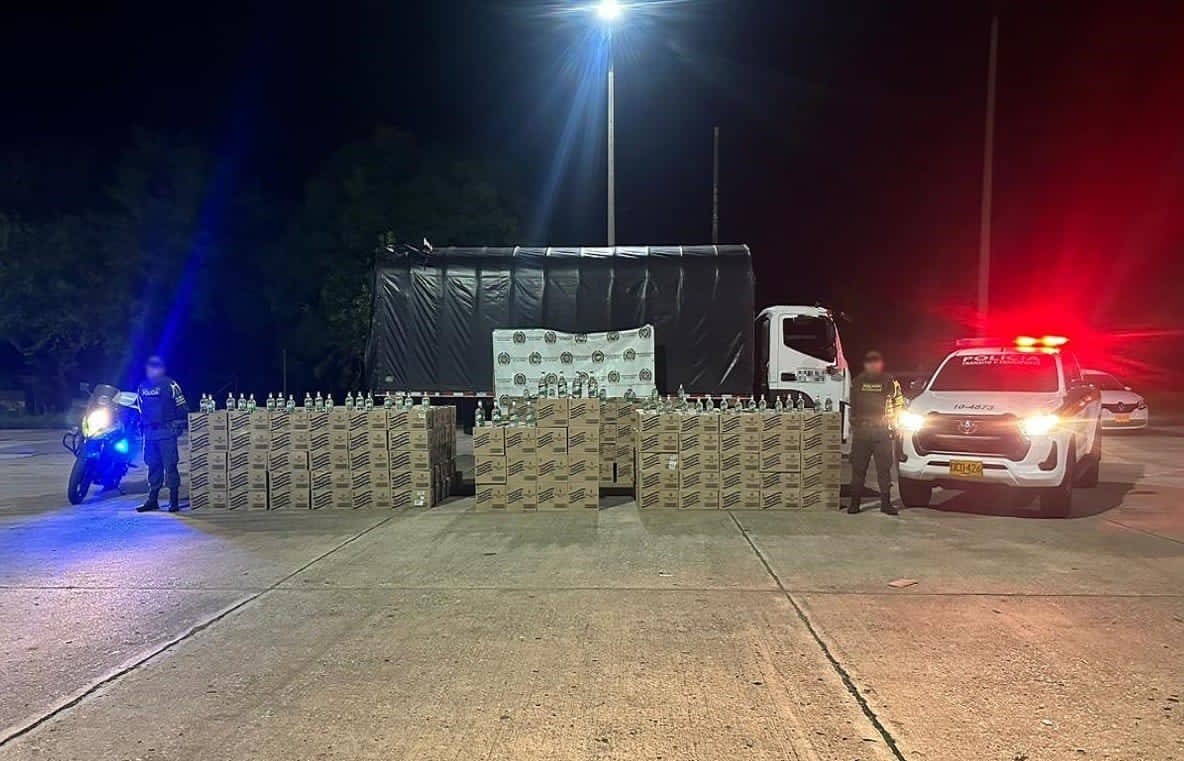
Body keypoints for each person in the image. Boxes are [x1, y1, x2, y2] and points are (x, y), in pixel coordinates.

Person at [848, 349, 905, 515]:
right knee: (858, 469)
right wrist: (854, 426)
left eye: (876, 362)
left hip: (882, 432)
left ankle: (886, 504)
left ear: (881, 364)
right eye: (870, 362)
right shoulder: (858, 381)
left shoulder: (889, 381)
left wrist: (895, 424)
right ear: (865, 365)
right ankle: (855, 503)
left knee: (884, 469)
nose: (873, 365)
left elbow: (898, 403)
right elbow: (853, 406)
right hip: (862, 432)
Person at [136, 355, 188, 512]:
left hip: (167, 432)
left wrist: (179, 423)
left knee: (170, 466)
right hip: (150, 434)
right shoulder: (142, 386)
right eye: (149, 367)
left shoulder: (170, 384)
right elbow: (140, 408)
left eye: (155, 367)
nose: (151, 370)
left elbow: (181, 405)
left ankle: (174, 501)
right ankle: (153, 500)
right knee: (152, 466)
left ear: (161, 368)